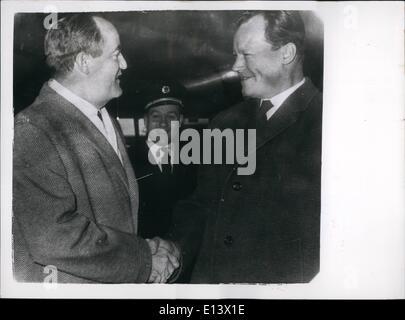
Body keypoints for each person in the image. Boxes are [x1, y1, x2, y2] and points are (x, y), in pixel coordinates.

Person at [12, 13, 180, 283]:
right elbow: (53, 236)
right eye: (116, 55)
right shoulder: (32, 130)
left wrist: (147, 250)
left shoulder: (101, 116)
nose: (124, 64)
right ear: (84, 62)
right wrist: (144, 260)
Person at [169, 11, 322, 283]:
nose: (236, 66)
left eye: (246, 54)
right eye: (235, 55)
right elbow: (202, 203)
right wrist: (172, 251)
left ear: (286, 53)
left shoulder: (329, 123)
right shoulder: (224, 122)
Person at [129, 81, 196, 240]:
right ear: (145, 121)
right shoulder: (127, 160)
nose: (163, 123)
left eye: (171, 116)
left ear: (180, 121)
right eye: (156, 116)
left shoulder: (196, 158)